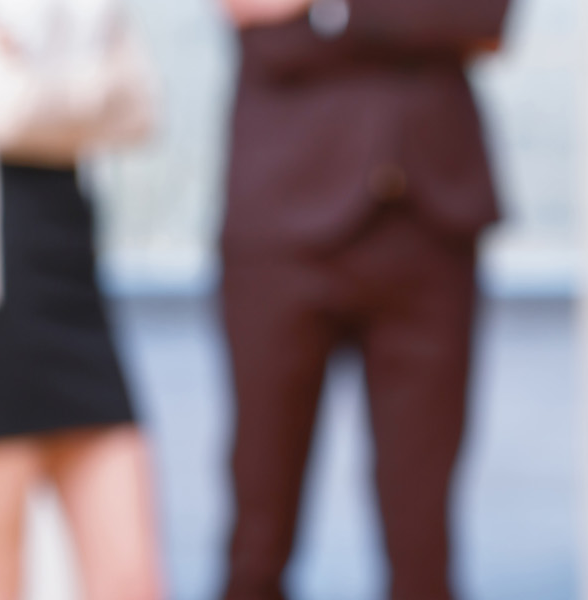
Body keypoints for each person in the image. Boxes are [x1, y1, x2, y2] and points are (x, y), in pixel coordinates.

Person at [215, 1, 508, 598]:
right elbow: (267, 32)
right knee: (259, 532)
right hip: (280, 223)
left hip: (431, 221)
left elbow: (483, 16)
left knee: (423, 542)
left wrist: (327, 11)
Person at [0, 1, 164, 598]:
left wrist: (30, 79)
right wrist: (88, 90)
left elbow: (139, 104)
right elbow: (3, 110)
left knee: (132, 579)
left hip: (72, 278)